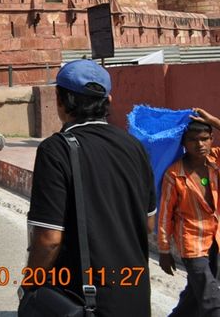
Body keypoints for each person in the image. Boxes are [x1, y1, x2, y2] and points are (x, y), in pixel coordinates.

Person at [24, 59, 155, 315]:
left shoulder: (56, 150)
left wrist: (30, 283)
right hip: (135, 295)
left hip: (82, 299)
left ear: (60, 101)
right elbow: (149, 223)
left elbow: (49, 240)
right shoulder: (134, 146)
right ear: (109, 101)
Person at [159, 112, 220, 315]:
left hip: (217, 239)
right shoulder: (174, 174)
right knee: (211, 299)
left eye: (204, 139)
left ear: (211, 140)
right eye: (193, 140)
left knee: (195, 295)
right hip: (192, 243)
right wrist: (164, 251)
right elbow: (165, 215)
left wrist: (212, 121)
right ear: (184, 142)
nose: (200, 144)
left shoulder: (215, 161)